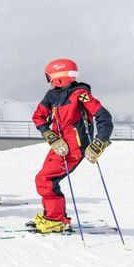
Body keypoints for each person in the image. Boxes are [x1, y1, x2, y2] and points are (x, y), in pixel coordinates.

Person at [29, 58, 113, 233]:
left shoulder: (80, 94)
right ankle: (51, 214)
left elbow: (104, 117)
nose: (49, 81)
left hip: (75, 146)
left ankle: (55, 219)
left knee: (46, 180)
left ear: (59, 76)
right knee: (44, 179)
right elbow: (38, 117)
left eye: (49, 77)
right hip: (59, 145)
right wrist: (49, 135)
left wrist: (100, 141)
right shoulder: (51, 95)